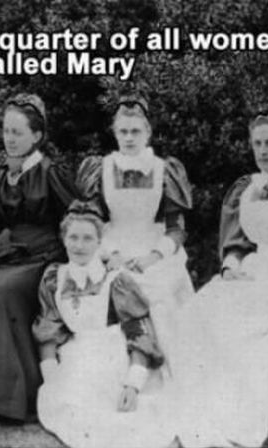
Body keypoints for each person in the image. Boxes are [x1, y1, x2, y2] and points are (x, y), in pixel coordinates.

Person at [171, 104, 268, 447]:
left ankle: (236, 415)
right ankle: (206, 405)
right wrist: (231, 267)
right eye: (257, 143)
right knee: (199, 308)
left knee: (239, 322)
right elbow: (237, 244)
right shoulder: (247, 189)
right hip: (251, 272)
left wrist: (263, 275)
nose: (263, 151)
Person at [0, 93, 78, 421]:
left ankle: (7, 400)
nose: (9, 138)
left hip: (43, 255)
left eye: (17, 132)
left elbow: (75, 220)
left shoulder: (51, 173)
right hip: (7, 251)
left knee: (2, 292)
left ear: (37, 136)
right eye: (6, 131)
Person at [33, 200, 178, 447]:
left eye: (88, 238)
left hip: (113, 353)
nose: (79, 246)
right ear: (63, 239)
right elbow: (48, 329)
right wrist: (51, 376)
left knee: (121, 419)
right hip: (76, 354)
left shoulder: (115, 280)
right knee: (72, 408)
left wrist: (133, 384)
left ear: (100, 242)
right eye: (73, 237)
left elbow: (138, 330)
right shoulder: (55, 278)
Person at [76, 91, 194, 376]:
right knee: (106, 288)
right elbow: (90, 221)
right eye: (123, 132)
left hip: (153, 249)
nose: (129, 138)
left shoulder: (163, 170)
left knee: (161, 291)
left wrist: (154, 256)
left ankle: (160, 373)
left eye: (135, 131)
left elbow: (176, 228)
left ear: (148, 132)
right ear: (115, 133)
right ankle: (116, 375)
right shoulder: (101, 169)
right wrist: (109, 254)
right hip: (111, 246)